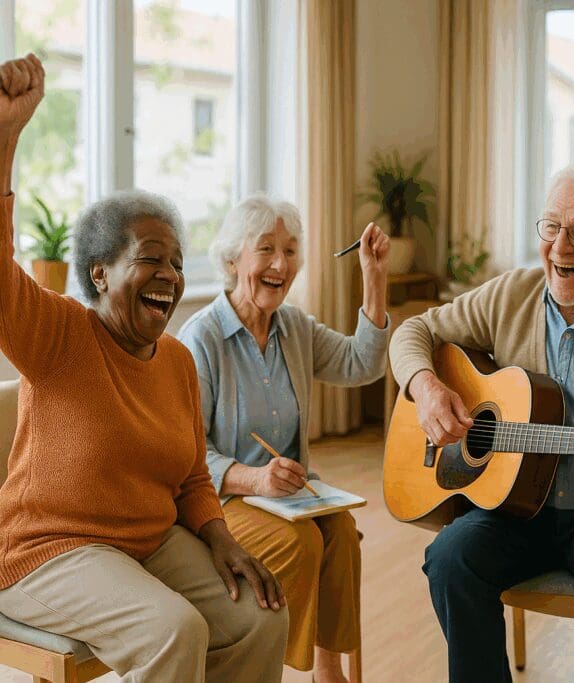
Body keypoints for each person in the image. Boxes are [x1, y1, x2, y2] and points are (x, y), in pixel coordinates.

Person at [0, 54, 288, 681]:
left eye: (177, 262)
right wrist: (6, 140)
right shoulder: (59, 333)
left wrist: (222, 538)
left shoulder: (178, 360)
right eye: (150, 258)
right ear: (100, 272)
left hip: (147, 544)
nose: (169, 276)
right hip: (47, 552)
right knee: (172, 630)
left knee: (260, 616)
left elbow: (190, 479)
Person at [389, 164, 574, 683]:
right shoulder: (511, 295)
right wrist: (426, 387)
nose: (560, 245)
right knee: (451, 559)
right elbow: (414, 331)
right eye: (551, 226)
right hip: (514, 508)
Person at [178, 195, 389, 683]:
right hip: (220, 503)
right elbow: (187, 456)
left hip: (288, 496)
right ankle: (265, 665)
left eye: (291, 251)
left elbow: (363, 362)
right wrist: (255, 477)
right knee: (302, 543)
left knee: (340, 533)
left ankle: (327, 671)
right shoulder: (201, 339)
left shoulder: (293, 327)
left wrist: (374, 278)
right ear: (234, 261)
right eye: (266, 249)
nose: (280, 264)